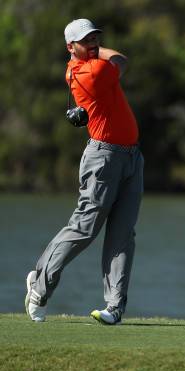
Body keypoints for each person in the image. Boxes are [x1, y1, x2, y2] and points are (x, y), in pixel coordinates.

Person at [24, 18, 144, 325]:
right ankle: (40, 285)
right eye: (85, 40)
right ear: (70, 47)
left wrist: (91, 49)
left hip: (131, 158)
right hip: (104, 158)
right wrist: (98, 52)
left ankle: (114, 307)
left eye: (95, 37)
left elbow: (118, 60)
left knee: (122, 234)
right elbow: (120, 59)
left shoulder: (88, 63)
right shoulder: (90, 71)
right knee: (85, 228)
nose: (92, 43)